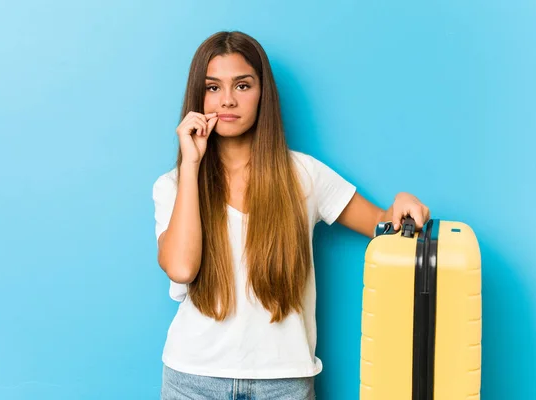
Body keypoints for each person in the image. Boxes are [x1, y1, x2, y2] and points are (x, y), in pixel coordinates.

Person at [152, 31, 430, 400]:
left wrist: (401, 202)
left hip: (283, 383)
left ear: (262, 93)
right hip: (192, 380)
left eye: (243, 85)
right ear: (198, 97)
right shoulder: (172, 185)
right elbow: (182, 269)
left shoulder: (304, 175)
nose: (229, 100)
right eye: (213, 88)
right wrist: (191, 164)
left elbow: (383, 224)